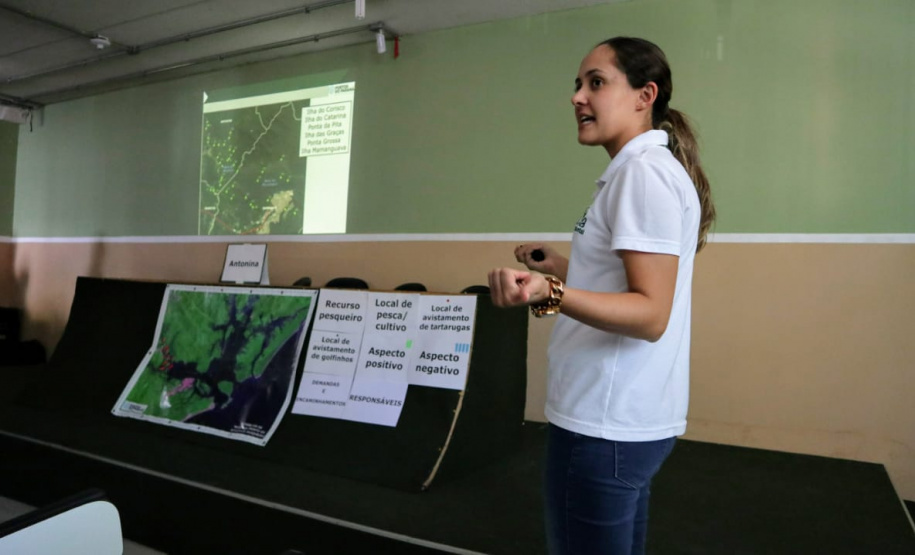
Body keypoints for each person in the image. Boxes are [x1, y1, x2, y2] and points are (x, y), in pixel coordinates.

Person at [487, 37, 716, 555]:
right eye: (577, 85)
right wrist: (556, 273)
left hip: (605, 424)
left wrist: (551, 291)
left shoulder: (642, 174)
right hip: (620, 420)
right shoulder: (636, 174)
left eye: (596, 82)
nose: (577, 98)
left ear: (644, 95)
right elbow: (624, 287)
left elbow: (650, 314)